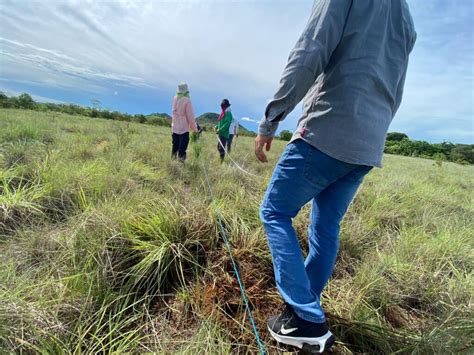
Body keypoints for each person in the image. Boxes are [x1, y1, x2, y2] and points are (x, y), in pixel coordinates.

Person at [255, 0, 416, 352]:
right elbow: (397, 88)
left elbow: (310, 50)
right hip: (367, 143)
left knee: (274, 212)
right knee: (325, 227)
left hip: (328, 127)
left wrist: (272, 118)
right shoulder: (405, 16)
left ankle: (308, 319)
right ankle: (302, 311)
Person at [171, 83, 197, 161]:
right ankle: (181, 167)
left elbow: (173, 113)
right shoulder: (187, 100)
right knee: (182, 150)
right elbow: (190, 116)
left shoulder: (175, 98)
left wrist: (172, 126)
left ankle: (172, 165)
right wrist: (194, 129)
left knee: (174, 148)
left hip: (175, 128)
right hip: (184, 129)